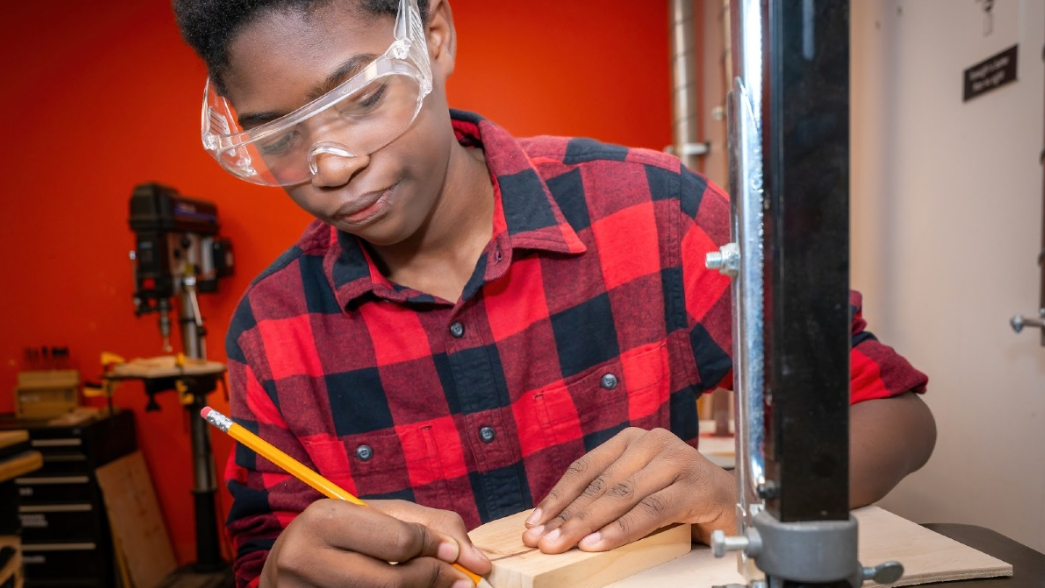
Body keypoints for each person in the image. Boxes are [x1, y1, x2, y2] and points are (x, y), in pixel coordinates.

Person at [172, 0, 937, 587]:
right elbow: (268, 555)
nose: (330, 166)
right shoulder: (271, 331)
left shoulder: (652, 211)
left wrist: (732, 491)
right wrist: (281, 572)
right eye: (280, 137)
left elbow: (896, 419)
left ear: (434, 36)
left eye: (360, 101)